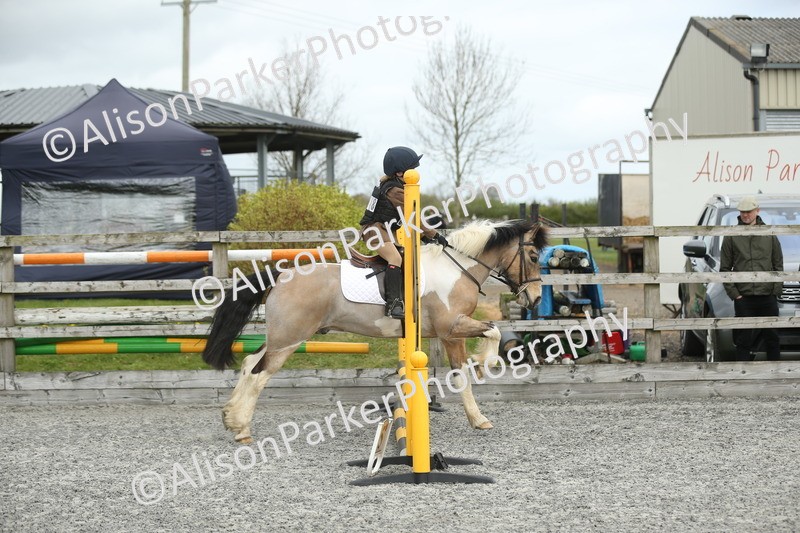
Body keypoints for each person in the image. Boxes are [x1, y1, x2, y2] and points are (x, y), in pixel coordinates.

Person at [359, 146, 448, 319]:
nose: (415, 172)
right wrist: (434, 235)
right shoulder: (395, 190)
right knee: (395, 259)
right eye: (411, 170)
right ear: (400, 173)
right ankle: (393, 305)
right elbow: (414, 217)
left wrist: (423, 237)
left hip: (384, 230)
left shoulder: (395, 186)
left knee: (405, 258)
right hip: (375, 231)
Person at [720, 196, 783, 361]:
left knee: (772, 338)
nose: (745, 215)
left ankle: (774, 375)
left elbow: (778, 266)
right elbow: (725, 269)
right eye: (742, 212)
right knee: (743, 339)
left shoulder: (769, 234)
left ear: (757, 211)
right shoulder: (731, 236)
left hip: (767, 296)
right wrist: (736, 295)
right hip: (744, 297)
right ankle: (743, 376)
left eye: (748, 211)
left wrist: (775, 291)